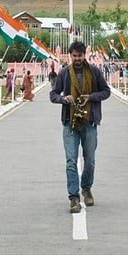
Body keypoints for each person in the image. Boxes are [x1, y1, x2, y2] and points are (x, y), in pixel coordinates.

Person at [50, 41, 110, 214]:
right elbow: (53, 94)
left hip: (89, 122)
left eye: (80, 55)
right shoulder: (64, 74)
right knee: (71, 161)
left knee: (89, 160)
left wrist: (90, 97)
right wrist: (64, 99)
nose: (77, 59)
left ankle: (86, 188)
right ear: (70, 56)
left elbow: (106, 92)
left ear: (85, 55)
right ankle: (74, 198)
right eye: (74, 56)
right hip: (70, 124)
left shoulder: (94, 72)